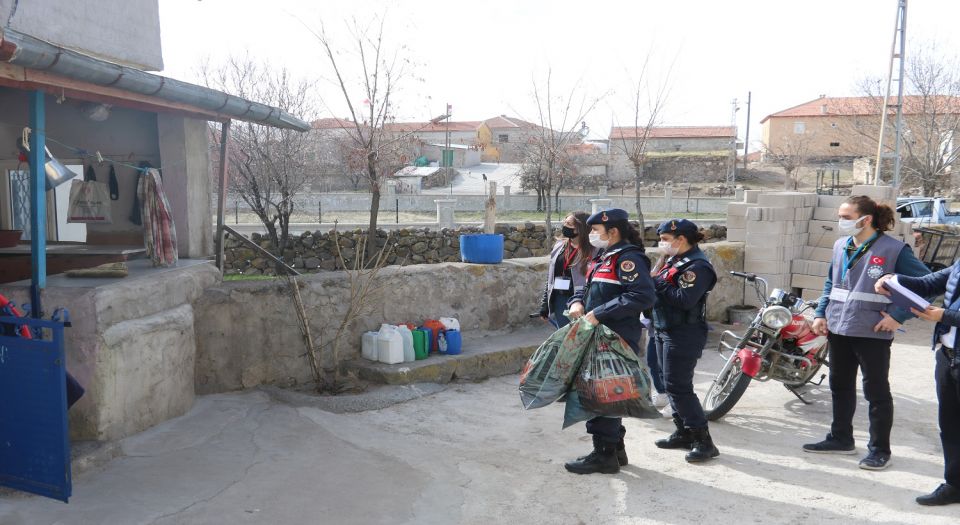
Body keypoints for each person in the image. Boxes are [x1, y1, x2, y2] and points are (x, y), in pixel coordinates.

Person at [804, 195, 929, 470]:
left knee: (876, 391)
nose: (841, 222)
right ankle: (840, 438)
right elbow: (830, 283)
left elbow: (926, 285)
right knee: (840, 386)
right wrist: (820, 313)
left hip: (872, 330)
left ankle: (879, 450)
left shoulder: (894, 249)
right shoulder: (841, 245)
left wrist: (898, 316)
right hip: (839, 327)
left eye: (846, 217)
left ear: (867, 219)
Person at [565, 208, 656, 475]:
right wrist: (577, 301)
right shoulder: (606, 256)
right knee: (605, 392)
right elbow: (590, 288)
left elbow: (642, 296)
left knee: (601, 395)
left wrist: (598, 314)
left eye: (596, 231)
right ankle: (615, 449)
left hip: (614, 337)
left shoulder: (628, 259)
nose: (591, 235)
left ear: (613, 231)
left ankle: (603, 456)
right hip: (599, 333)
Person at [875, 263, 960, 505]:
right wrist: (893, 279)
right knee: (951, 426)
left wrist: (942, 315)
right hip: (948, 355)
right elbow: (927, 283)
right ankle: (955, 485)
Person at [651, 219, 719, 463]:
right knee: (669, 385)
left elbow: (684, 299)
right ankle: (683, 432)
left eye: (666, 239)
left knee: (679, 386)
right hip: (664, 327)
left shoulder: (697, 266)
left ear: (681, 239)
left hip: (684, 332)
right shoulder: (675, 260)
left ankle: (704, 441)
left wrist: (656, 283)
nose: (662, 243)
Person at [539, 212, 593, 329]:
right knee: (564, 337)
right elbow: (551, 276)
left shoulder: (594, 251)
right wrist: (545, 304)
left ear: (581, 228)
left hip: (582, 302)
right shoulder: (559, 245)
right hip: (560, 300)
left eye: (569, 224)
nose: (565, 226)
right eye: (565, 222)